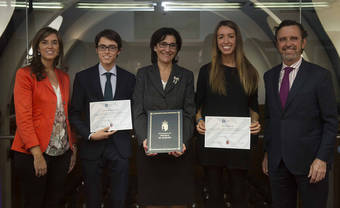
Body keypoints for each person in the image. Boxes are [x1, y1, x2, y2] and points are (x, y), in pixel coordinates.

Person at [262, 20, 338, 208]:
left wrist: (322, 159)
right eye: (283, 39)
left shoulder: (320, 76)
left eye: (293, 38)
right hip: (277, 163)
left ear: (303, 43)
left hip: (312, 165)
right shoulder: (269, 76)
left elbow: (331, 122)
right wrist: (267, 153)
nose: (288, 43)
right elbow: (272, 118)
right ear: (277, 44)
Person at [195, 20, 261, 208]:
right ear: (216, 41)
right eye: (221, 36)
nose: (226, 41)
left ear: (237, 39)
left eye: (230, 36)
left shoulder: (249, 72)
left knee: (239, 195)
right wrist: (199, 120)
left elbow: (253, 108)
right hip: (212, 144)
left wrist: (255, 122)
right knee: (214, 197)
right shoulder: (206, 71)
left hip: (239, 145)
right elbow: (198, 105)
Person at [69, 29, 135, 208]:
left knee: (119, 200)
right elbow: (74, 113)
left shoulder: (130, 79)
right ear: (96, 50)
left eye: (112, 47)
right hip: (92, 147)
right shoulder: (83, 78)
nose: (107, 51)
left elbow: (135, 111)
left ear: (119, 51)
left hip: (120, 147)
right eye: (103, 47)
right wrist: (89, 134)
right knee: (92, 200)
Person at [11, 27, 76, 208]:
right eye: (45, 42)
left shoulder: (63, 77)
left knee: (55, 202)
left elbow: (64, 115)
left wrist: (72, 146)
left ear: (59, 47)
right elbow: (23, 118)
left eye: (54, 42)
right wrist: (37, 154)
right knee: (34, 203)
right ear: (37, 47)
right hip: (33, 153)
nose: (50, 46)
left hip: (61, 153)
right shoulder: (25, 75)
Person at [132, 27, 196, 208]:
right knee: (152, 201)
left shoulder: (186, 76)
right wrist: (145, 139)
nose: (167, 49)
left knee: (178, 201)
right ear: (154, 47)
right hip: (149, 152)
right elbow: (138, 111)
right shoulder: (143, 74)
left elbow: (189, 112)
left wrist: (182, 141)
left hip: (179, 152)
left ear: (177, 49)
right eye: (163, 44)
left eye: (172, 45)